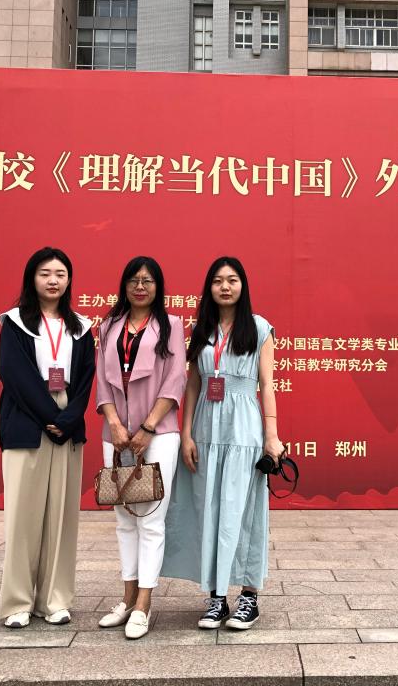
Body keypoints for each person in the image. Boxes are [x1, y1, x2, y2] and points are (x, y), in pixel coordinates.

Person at [161, 256, 283, 631]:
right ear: (209, 288)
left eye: (232, 280)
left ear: (243, 286)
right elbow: (193, 384)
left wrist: (272, 435)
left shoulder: (259, 328)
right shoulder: (202, 329)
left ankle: (249, 597)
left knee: (243, 511)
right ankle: (216, 598)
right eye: (217, 281)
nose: (225, 287)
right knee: (208, 509)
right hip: (206, 429)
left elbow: (267, 384)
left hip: (243, 428)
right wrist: (185, 434)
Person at [0, 247, 95, 629]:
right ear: (31, 278)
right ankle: (17, 602)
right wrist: (52, 417)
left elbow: (86, 377)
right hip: (27, 421)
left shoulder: (80, 326)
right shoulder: (15, 323)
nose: (53, 280)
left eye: (60, 274)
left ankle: (54, 600)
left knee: (62, 517)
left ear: (69, 280)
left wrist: (68, 417)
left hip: (67, 424)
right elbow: (14, 374)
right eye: (45, 273)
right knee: (23, 518)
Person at [95, 257, 187, 640]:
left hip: (159, 433)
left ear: (158, 286)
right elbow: (102, 381)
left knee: (150, 519)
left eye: (147, 280)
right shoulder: (108, 326)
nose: (140, 286)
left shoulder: (172, 325)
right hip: (116, 435)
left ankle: (144, 604)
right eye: (134, 280)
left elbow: (176, 379)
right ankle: (127, 597)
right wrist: (115, 424)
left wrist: (148, 426)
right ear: (124, 285)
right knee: (123, 519)